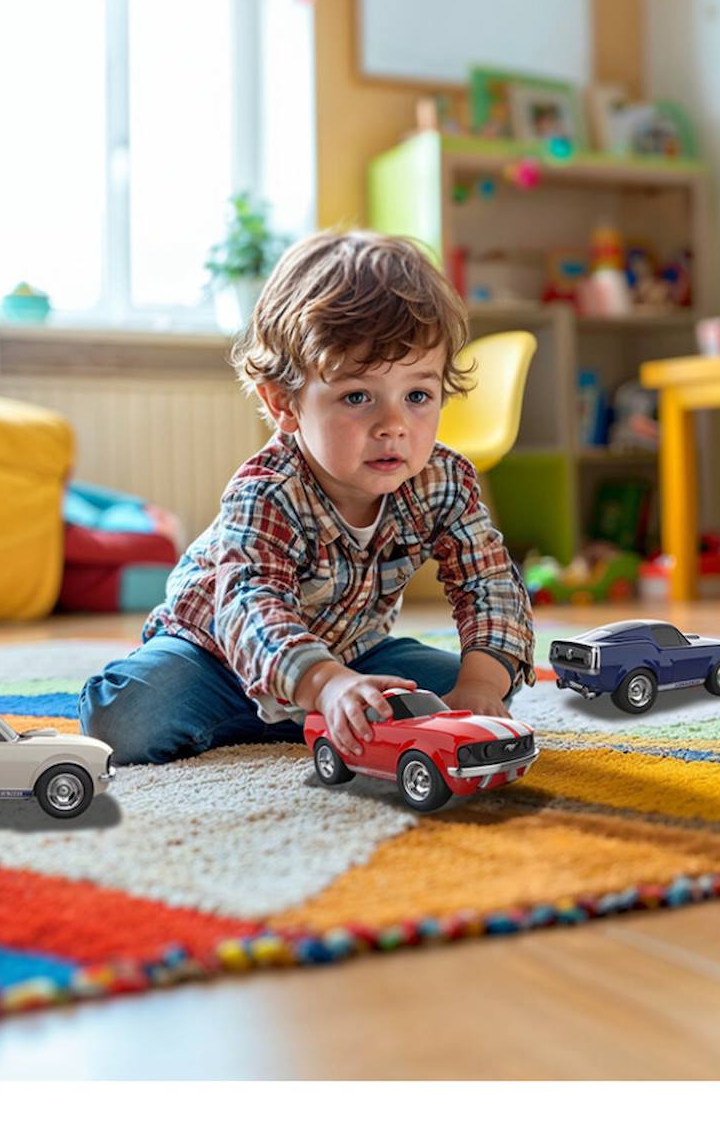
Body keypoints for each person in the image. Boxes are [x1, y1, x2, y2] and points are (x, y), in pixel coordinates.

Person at [79, 230, 535, 765]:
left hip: (351, 653)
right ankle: (303, 709)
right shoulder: (267, 492)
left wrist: (482, 681)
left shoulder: (443, 480)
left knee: (478, 686)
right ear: (285, 405)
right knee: (126, 718)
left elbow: (489, 582)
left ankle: (327, 709)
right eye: (357, 396)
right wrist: (320, 683)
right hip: (215, 656)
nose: (394, 426)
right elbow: (252, 607)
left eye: (417, 395)